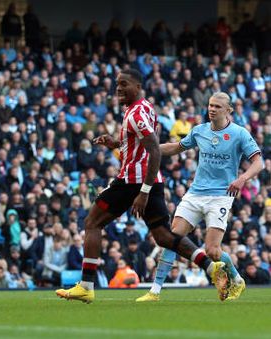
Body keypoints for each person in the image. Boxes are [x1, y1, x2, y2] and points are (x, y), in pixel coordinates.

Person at [55, 69, 229, 304]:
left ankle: (86, 286)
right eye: (117, 84)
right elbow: (137, 142)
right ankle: (211, 268)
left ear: (137, 86)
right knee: (164, 236)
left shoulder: (136, 114)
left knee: (92, 223)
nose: (118, 89)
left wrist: (143, 193)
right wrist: (115, 143)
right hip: (149, 180)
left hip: (132, 181)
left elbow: (154, 149)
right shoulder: (143, 107)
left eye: (124, 84)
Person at [137, 92, 263, 302]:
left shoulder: (239, 133)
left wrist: (243, 179)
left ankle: (237, 279)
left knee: (212, 251)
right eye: (210, 105)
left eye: (217, 106)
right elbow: (176, 147)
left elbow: (259, 162)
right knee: (172, 238)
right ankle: (155, 290)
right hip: (195, 193)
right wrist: (149, 149)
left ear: (228, 110)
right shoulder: (200, 130)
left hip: (221, 196)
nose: (212, 109)